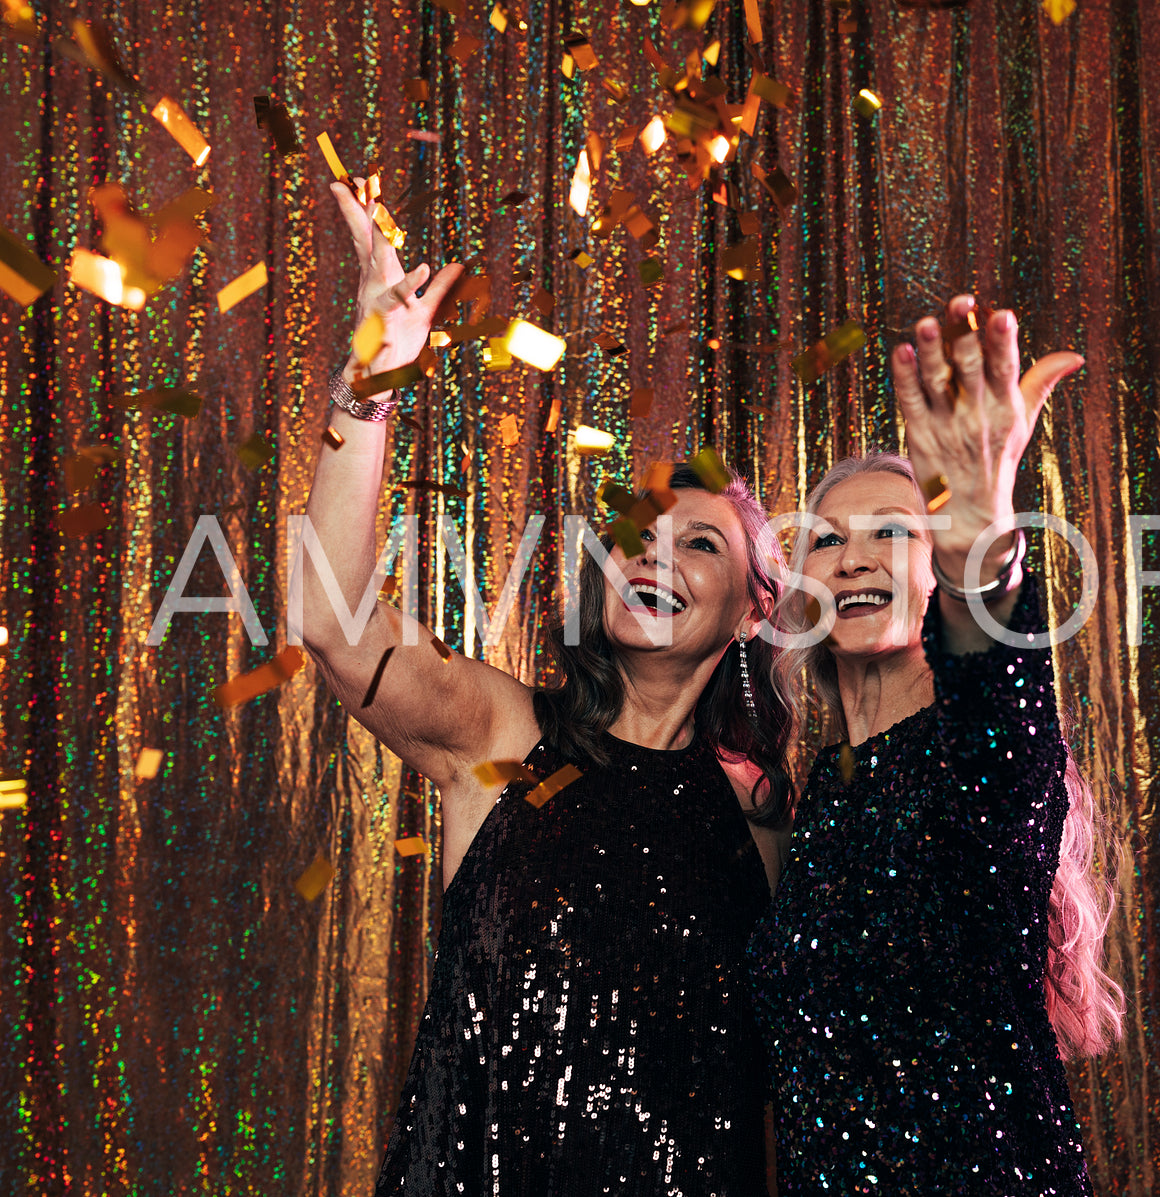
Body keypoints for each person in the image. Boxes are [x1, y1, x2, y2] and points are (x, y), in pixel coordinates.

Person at [298, 179, 796, 1196]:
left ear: (753, 609)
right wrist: (367, 389)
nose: (651, 555)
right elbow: (329, 621)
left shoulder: (762, 813)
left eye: (698, 542)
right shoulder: (502, 734)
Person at [748, 298, 1125, 1194]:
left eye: (891, 532)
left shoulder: (974, 754)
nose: (850, 558)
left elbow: (998, 685)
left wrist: (980, 552)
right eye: (826, 541)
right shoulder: (816, 799)